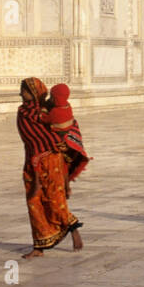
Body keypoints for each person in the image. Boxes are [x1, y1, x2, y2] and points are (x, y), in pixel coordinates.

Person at [17, 77, 83, 258]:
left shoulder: (46, 110)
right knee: (34, 204)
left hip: (50, 162)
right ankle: (39, 246)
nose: (21, 94)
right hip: (33, 163)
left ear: (35, 93)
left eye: (25, 91)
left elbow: (53, 134)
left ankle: (73, 229)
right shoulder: (24, 112)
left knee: (55, 201)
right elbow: (30, 139)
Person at [40, 82, 90, 188]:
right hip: (68, 139)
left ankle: (64, 186)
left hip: (60, 140)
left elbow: (44, 119)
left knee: (60, 165)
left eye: (52, 97)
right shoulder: (68, 106)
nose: (50, 99)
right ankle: (67, 186)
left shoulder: (55, 112)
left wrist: (43, 109)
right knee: (65, 165)